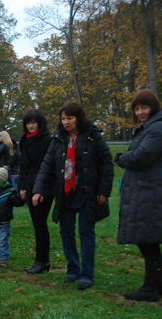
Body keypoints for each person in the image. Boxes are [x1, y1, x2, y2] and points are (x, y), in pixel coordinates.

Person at [32, 102, 113, 290]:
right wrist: (39, 190)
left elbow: (106, 164)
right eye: (63, 118)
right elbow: (47, 166)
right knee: (66, 231)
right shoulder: (58, 139)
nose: (66, 122)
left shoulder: (93, 136)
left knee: (86, 232)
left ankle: (87, 273)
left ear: (78, 117)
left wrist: (103, 191)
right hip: (65, 194)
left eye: (70, 118)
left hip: (88, 193)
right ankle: (73, 269)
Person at [115, 89, 162, 302]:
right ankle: (155, 285)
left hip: (150, 192)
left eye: (144, 107)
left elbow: (143, 156)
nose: (140, 112)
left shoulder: (157, 128)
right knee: (148, 241)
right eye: (137, 108)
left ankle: (151, 287)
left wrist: (122, 157)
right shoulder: (148, 128)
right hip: (146, 190)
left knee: (148, 240)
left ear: (153, 107)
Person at [18, 109, 54, 274]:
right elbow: (23, 166)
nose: (31, 126)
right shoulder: (24, 140)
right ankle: (41, 259)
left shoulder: (47, 140)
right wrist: (22, 186)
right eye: (28, 123)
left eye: (33, 122)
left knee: (40, 223)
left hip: (43, 186)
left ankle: (42, 260)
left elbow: (46, 166)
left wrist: (40, 189)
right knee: (36, 223)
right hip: (30, 184)